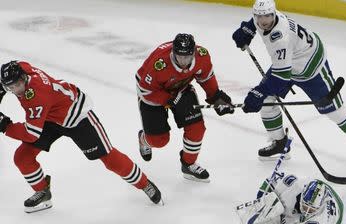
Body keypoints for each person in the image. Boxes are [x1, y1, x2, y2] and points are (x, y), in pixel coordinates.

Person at [0, 61, 161, 213]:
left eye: (18, 85)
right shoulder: (22, 68)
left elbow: (31, 133)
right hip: (49, 117)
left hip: (76, 116)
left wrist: (5, 125)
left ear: (24, 78)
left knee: (108, 157)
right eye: (11, 87)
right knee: (22, 157)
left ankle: (144, 183)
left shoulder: (36, 94)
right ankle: (43, 192)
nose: (16, 89)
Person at [232, 0, 346, 163]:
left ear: (273, 14)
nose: (264, 21)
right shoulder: (265, 19)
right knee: (266, 100)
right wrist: (248, 30)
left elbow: (281, 78)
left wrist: (258, 92)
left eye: (267, 16)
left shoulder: (280, 37)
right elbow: (256, 22)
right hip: (287, 62)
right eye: (260, 16)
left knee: (333, 110)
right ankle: (280, 143)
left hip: (310, 65)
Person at [136, 33, 234, 183]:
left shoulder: (202, 55)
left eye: (187, 57)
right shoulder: (159, 63)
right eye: (179, 57)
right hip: (153, 93)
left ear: (193, 53)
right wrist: (169, 100)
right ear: (173, 53)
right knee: (159, 141)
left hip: (181, 88)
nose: (183, 61)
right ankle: (144, 139)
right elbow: (145, 91)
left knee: (197, 128)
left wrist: (216, 97)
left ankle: (188, 164)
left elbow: (206, 78)